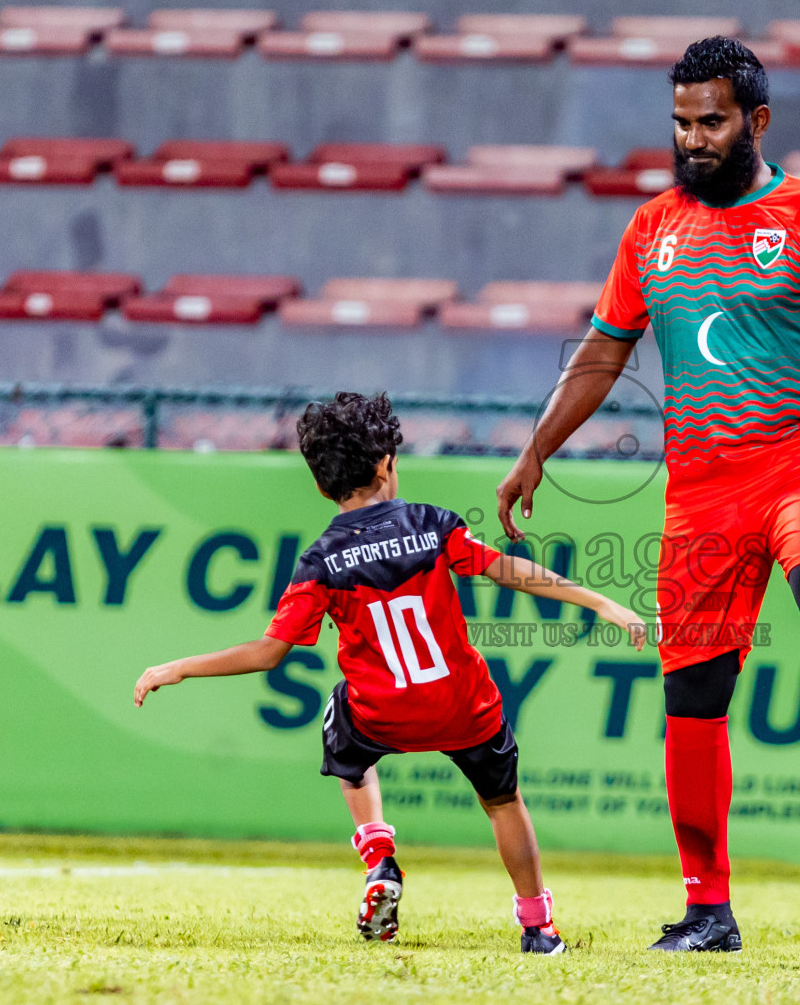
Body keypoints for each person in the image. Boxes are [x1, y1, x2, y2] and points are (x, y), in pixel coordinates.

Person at [495, 37, 800, 953]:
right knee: (692, 700)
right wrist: (536, 451)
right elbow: (601, 356)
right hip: (699, 494)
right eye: (681, 123)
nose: (694, 139)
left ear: (757, 122)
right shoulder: (652, 228)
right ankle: (709, 911)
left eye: (711, 122)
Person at [135, 391, 646, 954]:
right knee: (503, 803)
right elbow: (508, 572)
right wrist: (599, 603)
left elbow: (268, 652)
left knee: (342, 730)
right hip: (463, 707)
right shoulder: (433, 527)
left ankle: (379, 859)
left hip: (383, 715)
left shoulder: (321, 560)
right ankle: (538, 928)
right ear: (386, 463)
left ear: (320, 485)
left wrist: (178, 667)